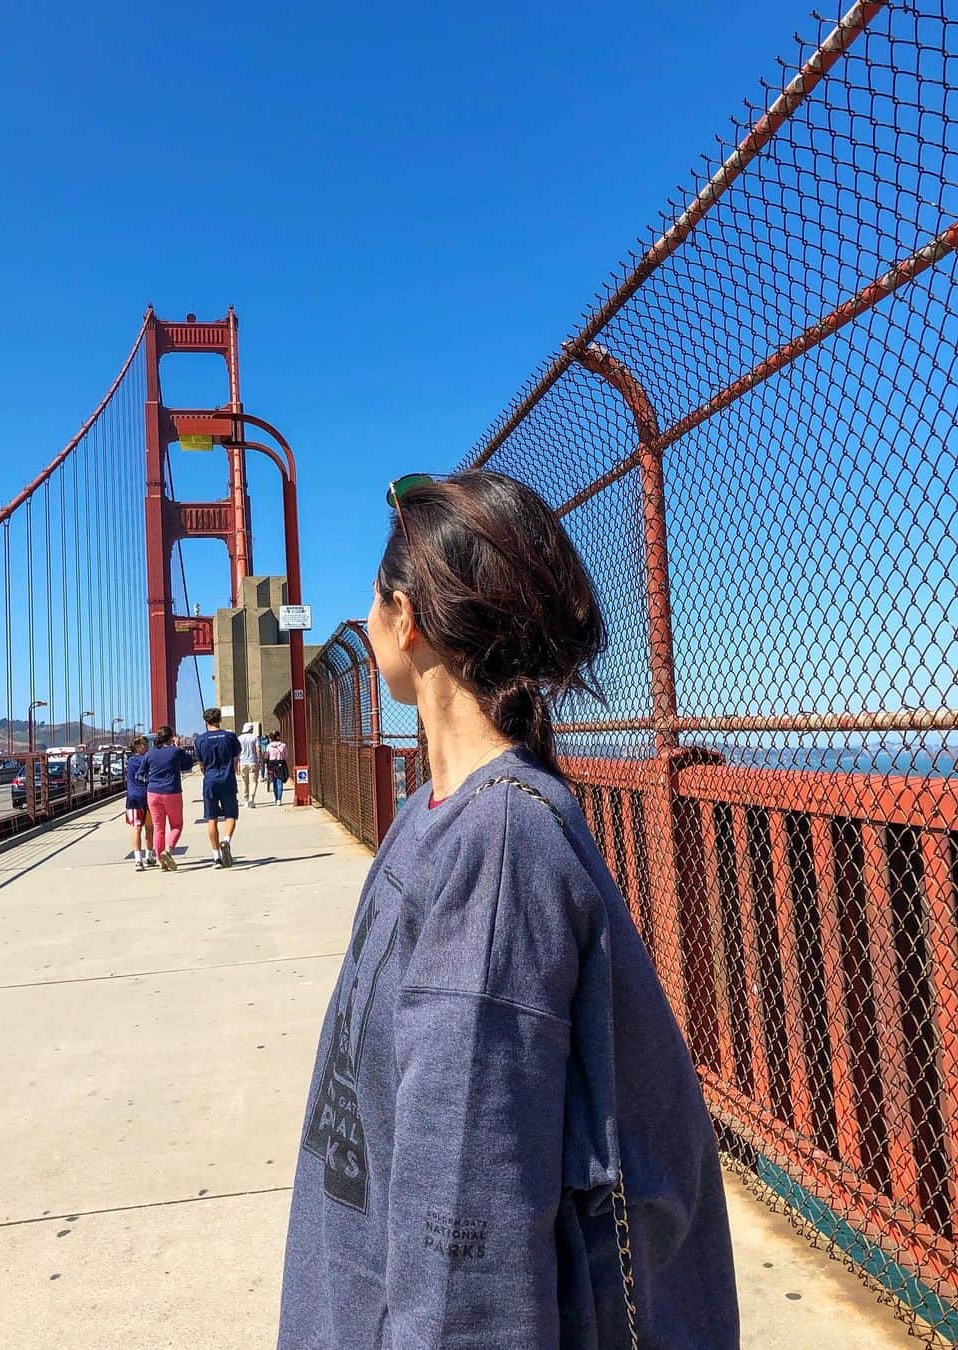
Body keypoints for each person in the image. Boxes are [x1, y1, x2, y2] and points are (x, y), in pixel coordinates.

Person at [278, 471, 738, 1348]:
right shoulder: (433, 817)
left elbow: (465, 1234)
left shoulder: (496, 849)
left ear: (405, 620)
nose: (368, 618)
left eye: (375, 601)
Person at [136, 725, 193, 872]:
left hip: (153, 793)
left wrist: (150, 781)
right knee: (176, 826)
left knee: (159, 829)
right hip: (172, 792)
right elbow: (188, 765)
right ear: (170, 738)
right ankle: (167, 850)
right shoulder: (176, 751)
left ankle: (161, 863)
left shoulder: (149, 754)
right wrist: (178, 747)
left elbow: (140, 774)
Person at [193, 707, 241, 869]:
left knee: (211, 818)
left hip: (210, 781)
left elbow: (201, 765)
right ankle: (226, 840)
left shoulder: (199, 740)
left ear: (205, 722)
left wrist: (208, 774)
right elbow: (235, 760)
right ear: (220, 720)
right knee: (231, 815)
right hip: (227, 779)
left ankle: (216, 858)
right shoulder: (230, 737)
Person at [124, 735, 156, 870]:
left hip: (133, 798)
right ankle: (149, 855)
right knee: (150, 827)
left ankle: (138, 859)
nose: (148, 747)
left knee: (136, 827)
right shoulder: (148, 759)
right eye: (145, 744)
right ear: (138, 747)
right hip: (148, 796)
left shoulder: (130, 761)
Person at [238, 721, 261, 807]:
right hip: (253, 761)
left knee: (244, 782)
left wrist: (237, 763)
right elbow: (258, 749)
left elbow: (237, 752)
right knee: (253, 781)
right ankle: (252, 798)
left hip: (242, 762)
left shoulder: (239, 738)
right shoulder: (254, 738)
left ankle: (246, 799)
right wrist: (259, 760)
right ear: (251, 729)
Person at [264, 730, 288, 805]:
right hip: (280, 764)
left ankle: (276, 797)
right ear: (278, 736)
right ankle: (279, 800)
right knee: (279, 781)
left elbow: (266, 756)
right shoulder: (283, 745)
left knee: (274, 782)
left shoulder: (269, 746)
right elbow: (286, 756)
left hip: (271, 764)